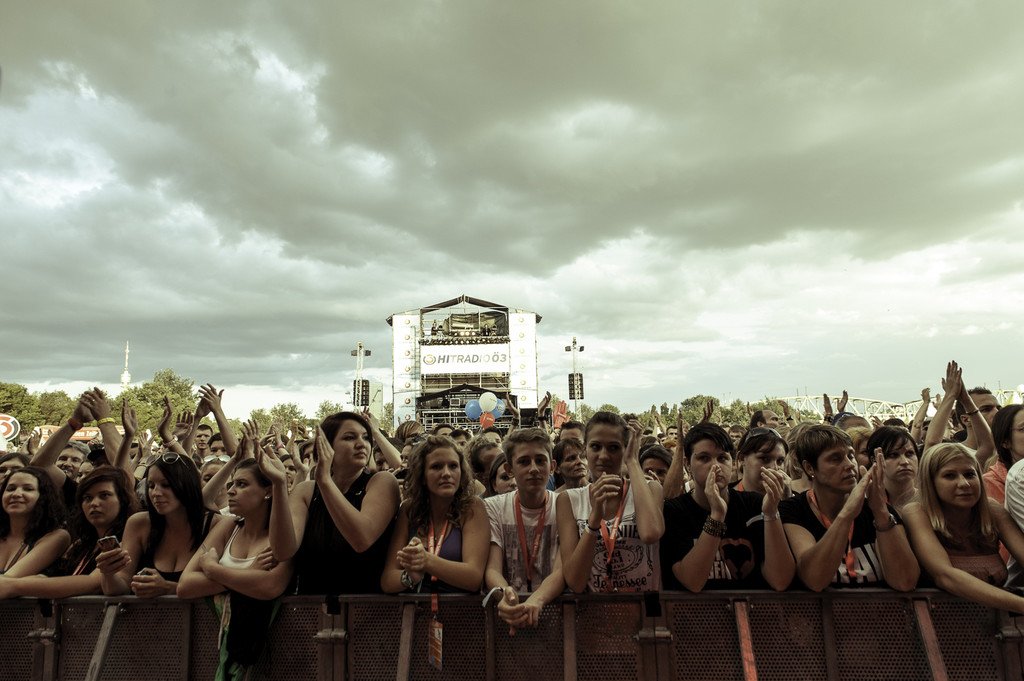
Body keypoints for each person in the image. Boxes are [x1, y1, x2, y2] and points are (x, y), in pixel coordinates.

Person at [178, 459, 293, 678]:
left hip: (277, 656)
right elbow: (185, 585)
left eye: (242, 484)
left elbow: (270, 586)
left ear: (268, 491)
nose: (230, 491)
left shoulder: (282, 538)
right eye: (232, 484)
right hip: (216, 651)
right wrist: (249, 574)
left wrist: (213, 569)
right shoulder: (227, 526)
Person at [269, 412, 400, 594]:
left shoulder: (382, 482)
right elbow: (283, 551)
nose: (361, 444)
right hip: (313, 606)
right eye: (349, 437)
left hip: (366, 606)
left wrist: (325, 481)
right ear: (326, 445)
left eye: (365, 437)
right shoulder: (306, 491)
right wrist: (278, 484)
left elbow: (361, 539)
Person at [779, 425, 919, 591]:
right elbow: (814, 580)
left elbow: (905, 582)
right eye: (835, 459)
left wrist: (881, 511)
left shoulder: (876, 509)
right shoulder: (794, 509)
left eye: (851, 456)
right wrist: (846, 515)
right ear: (809, 468)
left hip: (879, 608)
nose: (849, 464)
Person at [661, 424, 793, 592]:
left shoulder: (755, 504)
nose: (715, 466)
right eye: (704, 458)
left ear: (734, 462)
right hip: (698, 608)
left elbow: (780, 581)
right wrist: (717, 515)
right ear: (687, 464)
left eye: (722, 458)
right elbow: (692, 581)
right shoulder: (674, 510)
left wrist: (771, 513)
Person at [902, 443, 1024, 610]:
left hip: (995, 622)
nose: (964, 483)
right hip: (937, 622)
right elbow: (946, 577)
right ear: (931, 483)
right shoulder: (916, 512)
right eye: (950, 476)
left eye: (970, 474)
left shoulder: (991, 510)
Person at [556, 412, 664, 593]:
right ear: (585, 449)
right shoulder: (569, 500)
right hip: (595, 609)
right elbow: (575, 582)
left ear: (625, 449)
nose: (604, 456)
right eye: (596, 447)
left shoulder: (651, 488)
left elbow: (650, 533)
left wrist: (632, 461)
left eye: (614, 448)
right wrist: (594, 520)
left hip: (644, 608)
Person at [0, 466, 140, 599]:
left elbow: (94, 583)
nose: (94, 503)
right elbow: (50, 577)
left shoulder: (128, 538)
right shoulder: (80, 545)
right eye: (87, 498)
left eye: (104, 495)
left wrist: (13, 586)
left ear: (123, 500)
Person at [100, 453, 220, 596]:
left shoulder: (216, 524)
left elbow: (230, 585)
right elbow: (119, 587)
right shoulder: (139, 523)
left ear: (188, 484)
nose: (156, 493)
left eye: (166, 485)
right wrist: (108, 573)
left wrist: (169, 588)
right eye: (151, 486)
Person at [382, 435, 489, 593]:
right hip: (416, 607)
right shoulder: (409, 509)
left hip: (460, 608)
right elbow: (387, 580)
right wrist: (409, 577)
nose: (446, 473)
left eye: (453, 466)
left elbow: (474, 577)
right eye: (436, 467)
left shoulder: (472, 507)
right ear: (422, 475)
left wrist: (426, 561)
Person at [484, 428, 563, 630]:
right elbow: (492, 568)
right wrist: (506, 595)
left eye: (540, 460)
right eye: (524, 462)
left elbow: (562, 569)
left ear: (552, 466)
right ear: (509, 469)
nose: (534, 468)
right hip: (509, 615)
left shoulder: (564, 504)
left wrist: (537, 599)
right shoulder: (493, 507)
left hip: (555, 614)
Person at [0, 467, 70, 576]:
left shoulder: (58, 536)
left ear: (43, 496)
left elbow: (8, 580)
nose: (16, 494)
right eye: (11, 489)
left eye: (28, 489)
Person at [865, 426, 919, 511]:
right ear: (875, 460)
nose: (905, 462)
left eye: (909, 453)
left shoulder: (932, 501)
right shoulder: (866, 505)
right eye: (893, 455)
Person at [733, 428, 789, 494]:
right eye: (765, 459)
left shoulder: (791, 496)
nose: (775, 468)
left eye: (780, 461)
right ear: (742, 458)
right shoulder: (726, 497)